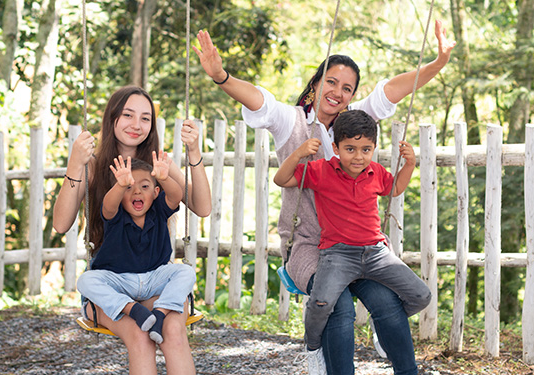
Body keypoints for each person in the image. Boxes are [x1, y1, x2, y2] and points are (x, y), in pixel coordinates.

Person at [194, 19, 455, 375]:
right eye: (331, 82)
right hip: (308, 245)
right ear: (316, 84)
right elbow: (260, 100)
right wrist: (222, 77)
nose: (338, 92)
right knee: (340, 306)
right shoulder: (293, 121)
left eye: (347, 88)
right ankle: (320, 355)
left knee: (387, 303)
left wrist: (438, 64)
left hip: (357, 244)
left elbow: (393, 89)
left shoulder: (355, 125)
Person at [53, 86, 211, 375]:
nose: (136, 125)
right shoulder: (94, 165)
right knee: (140, 336)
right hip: (112, 285)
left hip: (156, 281)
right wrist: (75, 163)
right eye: (128, 115)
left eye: (145, 118)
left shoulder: (158, 166)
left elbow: (202, 206)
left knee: (173, 331)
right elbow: (61, 224)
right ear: (112, 118)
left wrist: (194, 152)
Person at [274, 109, 431, 372]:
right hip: (337, 255)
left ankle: (380, 328)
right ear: (335, 147)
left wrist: (410, 165)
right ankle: (313, 347)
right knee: (321, 304)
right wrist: (299, 153)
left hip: (376, 253)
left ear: (374, 148)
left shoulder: (376, 171)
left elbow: (395, 189)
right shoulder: (321, 170)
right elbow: (282, 179)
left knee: (421, 295)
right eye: (350, 149)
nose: (358, 156)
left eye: (366, 149)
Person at [77, 153, 196, 345]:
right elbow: (108, 205)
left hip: (153, 277)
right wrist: (120, 184)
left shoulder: (159, 210)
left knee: (186, 272)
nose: (137, 192)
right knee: (85, 280)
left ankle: (160, 313)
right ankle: (132, 309)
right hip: (119, 280)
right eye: (129, 187)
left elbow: (176, 196)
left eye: (145, 186)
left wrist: (164, 177)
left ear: (156, 192)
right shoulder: (116, 216)